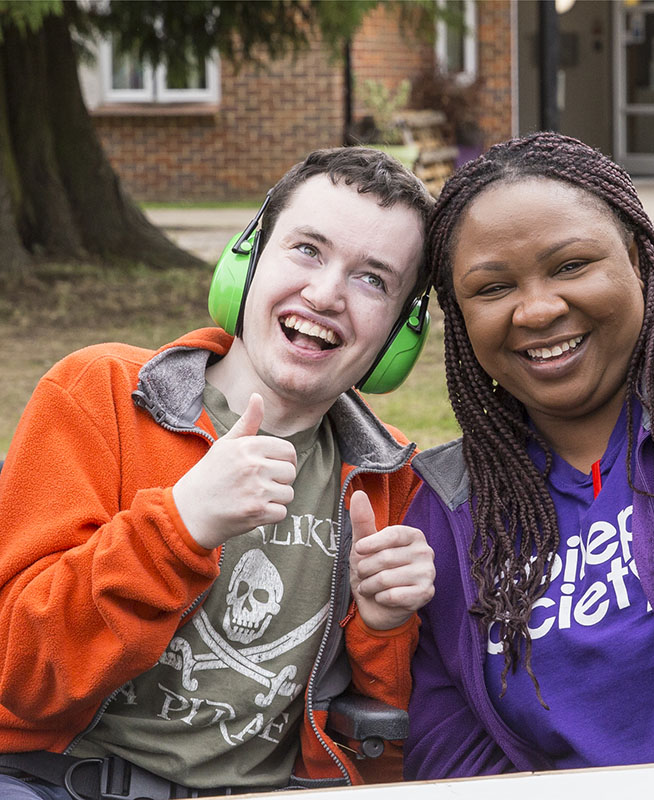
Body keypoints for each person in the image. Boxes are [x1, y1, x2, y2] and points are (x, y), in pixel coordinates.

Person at [0, 146, 436, 799]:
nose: (324, 294)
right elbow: (18, 671)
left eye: (372, 279)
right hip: (62, 783)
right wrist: (177, 527)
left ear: (401, 334)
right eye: (307, 250)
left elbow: (396, 726)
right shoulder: (98, 396)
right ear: (248, 258)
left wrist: (384, 627)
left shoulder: (390, 478)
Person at [403, 131, 654, 779]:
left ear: (639, 260)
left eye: (570, 266)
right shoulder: (449, 517)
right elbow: (454, 762)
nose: (537, 309)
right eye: (493, 288)